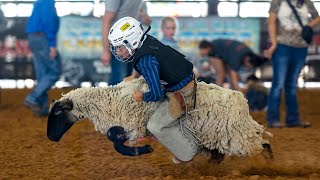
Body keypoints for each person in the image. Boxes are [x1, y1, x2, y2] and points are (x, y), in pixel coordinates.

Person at [108, 17, 199, 164]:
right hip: (180, 77)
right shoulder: (145, 41)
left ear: (133, 42)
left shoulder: (146, 61)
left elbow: (156, 94)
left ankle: (188, 153)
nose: (118, 52)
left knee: (155, 125)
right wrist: (134, 76)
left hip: (182, 89)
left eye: (120, 47)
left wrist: (141, 96)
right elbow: (139, 61)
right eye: (116, 47)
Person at [264, 0, 320, 128]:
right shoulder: (277, 1)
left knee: (292, 84)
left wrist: (308, 26)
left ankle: (293, 119)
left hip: (301, 47)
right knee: (278, 83)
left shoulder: (307, 2)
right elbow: (271, 21)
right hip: (282, 46)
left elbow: (317, 17)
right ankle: (273, 119)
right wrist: (273, 43)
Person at [100, 0, 151, 86]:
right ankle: (112, 99)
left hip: (132, 43)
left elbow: (147, 21)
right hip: (118, 42)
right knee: (119, 79)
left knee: (128, 79)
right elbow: (106, 20)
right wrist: (106, 50)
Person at [24, 0, 61, 117]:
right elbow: (49, 23)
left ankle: (42, 107)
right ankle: (32, 98)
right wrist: (52, 44)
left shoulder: (40, 2)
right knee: (55, 72)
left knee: (42, 73)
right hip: (42, 38)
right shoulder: (48, 2)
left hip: (34, 37)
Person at [198, 39, 268, 92]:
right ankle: (216, 93)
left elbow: (235, 77)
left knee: (230, 75)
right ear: (247, 60)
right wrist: (240, 92)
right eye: (248, 66)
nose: (246, 67)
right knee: (221, 74)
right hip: (216, 50)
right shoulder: (236, 58)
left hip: (224, 52)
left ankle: (231, 94)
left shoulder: (249, 54)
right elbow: (234, 79)